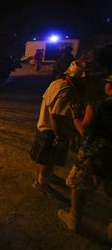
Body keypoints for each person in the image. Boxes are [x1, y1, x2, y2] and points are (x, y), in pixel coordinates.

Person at [57, 75, 112, 232]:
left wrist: (76, 116)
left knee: (80, 185)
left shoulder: (97, 105)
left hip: (95, 152)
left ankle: (74, 219)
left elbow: (84, 129)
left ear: (109, 86)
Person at [30, 61, 86, 194]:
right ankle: (41, 183)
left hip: (46, 127)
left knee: (45, 160)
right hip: (52, 131)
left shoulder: (58, 82)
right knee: (49, 161)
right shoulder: (67, 90)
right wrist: (60, 137)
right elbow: (56, 116)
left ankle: (45, 177)